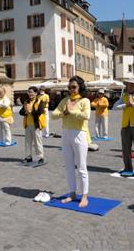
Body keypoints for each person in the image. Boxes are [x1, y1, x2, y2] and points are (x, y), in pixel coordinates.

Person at [52, 76, 91, 208]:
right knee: (69, 166)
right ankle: (72, 193)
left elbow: (86, 116)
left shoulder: (84, 101)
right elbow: (54, 114)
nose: (71, 89)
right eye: (69, 87)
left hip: (80, 134)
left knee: (81, 166)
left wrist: (71, 112)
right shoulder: (65, 100)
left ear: (80, 87)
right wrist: (64, 113)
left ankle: (84, 195)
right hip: (66, 133)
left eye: (74, 87)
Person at [19, 86, 45, 164]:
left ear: (36, 93)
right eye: (29, 92)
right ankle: (28, 157)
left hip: (36, 125)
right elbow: (21, 112)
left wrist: (31, 111)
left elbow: (40, 112)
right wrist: (26, 112)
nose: (30, 94)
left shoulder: (40, 101)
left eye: (31, 92)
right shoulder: (26, 102)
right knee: (27, 142)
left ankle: (40, 157)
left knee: (37, 142)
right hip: (28, 124)